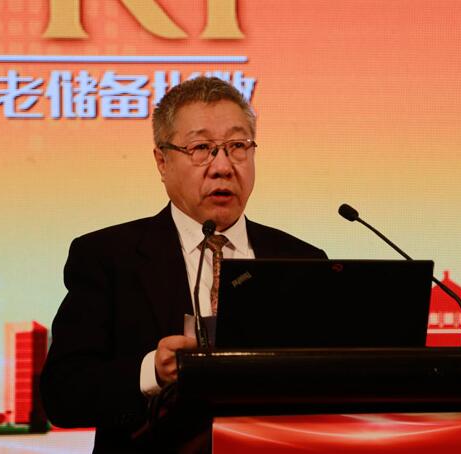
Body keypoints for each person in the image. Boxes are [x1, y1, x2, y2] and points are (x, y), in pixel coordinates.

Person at [40, 77, 327, 452]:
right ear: (162, 161)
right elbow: (63, 393)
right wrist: (152, 372)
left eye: (237, 146)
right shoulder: (108, 257)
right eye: (202, 148)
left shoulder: (303, 260)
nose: (222, 166)